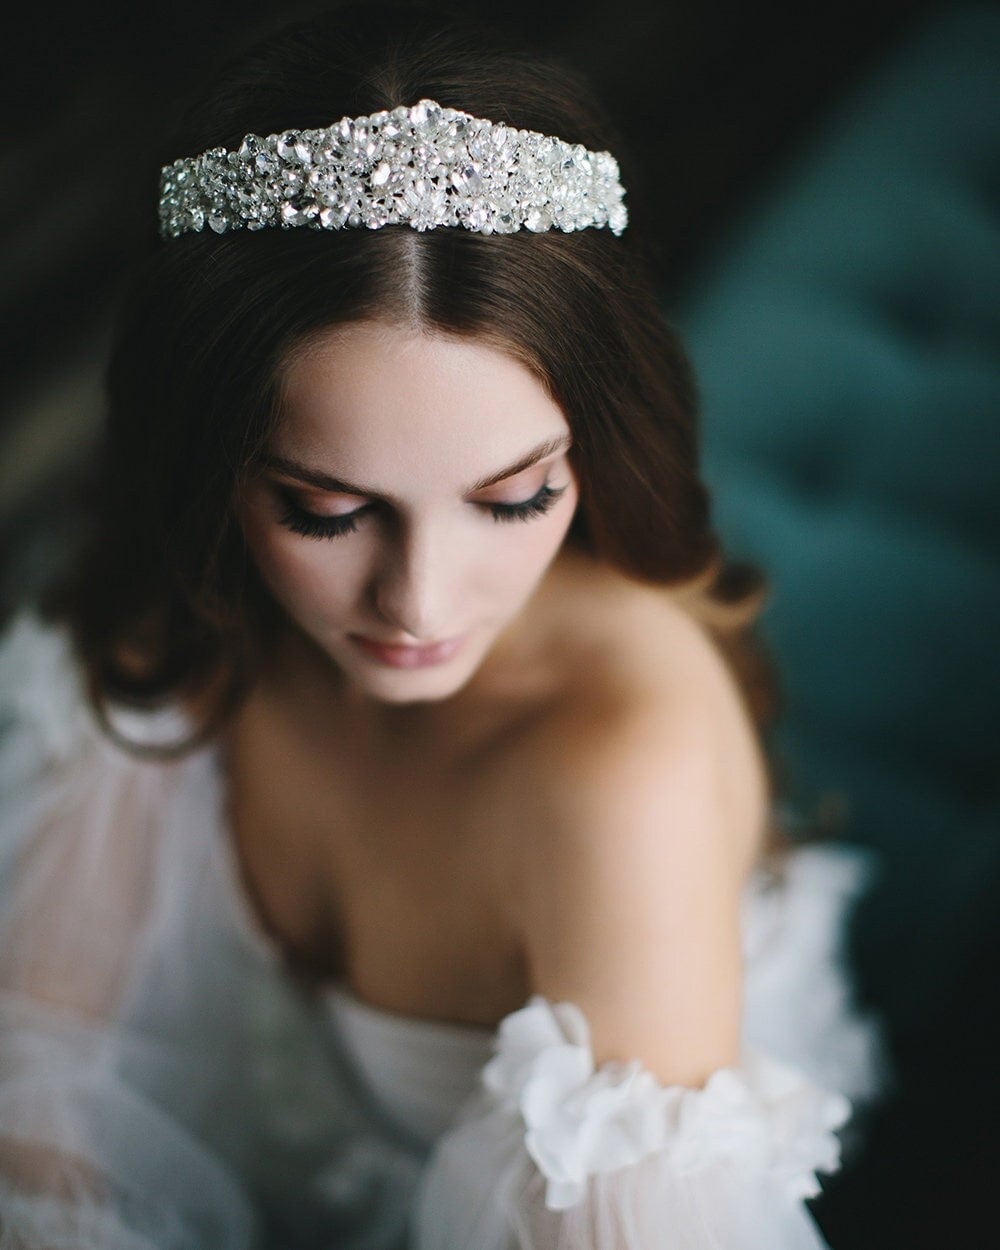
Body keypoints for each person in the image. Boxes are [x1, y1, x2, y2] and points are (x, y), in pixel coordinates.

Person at [0, 4, 888, 1247]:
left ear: (592, 453)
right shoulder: (182, 597)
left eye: (516, 497)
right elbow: (38, 1087)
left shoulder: (622, 783)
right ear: (213, 470)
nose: (419, 602)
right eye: (324, 510)